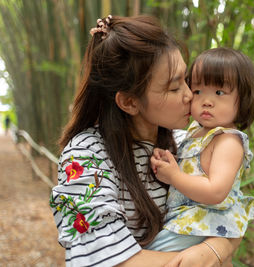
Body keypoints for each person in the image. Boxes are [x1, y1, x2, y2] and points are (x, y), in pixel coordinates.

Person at [49, 15, 239, 267]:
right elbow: (107, 260)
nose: (189, 95)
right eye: (173, 88)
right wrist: (209, 253)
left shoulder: (189, 140)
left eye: (186, 80)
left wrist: (217, 246)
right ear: (129, 102)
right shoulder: (86, 157)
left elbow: (232, 209)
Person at [146, 48, 254, 252]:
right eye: (198, 91)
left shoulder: (228, 141)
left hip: (204, 223)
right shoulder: (196, 130)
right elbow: (190, 167)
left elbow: (216, 191)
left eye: (219, 92)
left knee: (152, 254)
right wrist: (167, 161)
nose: (206, 101)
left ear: (243, 98)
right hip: (185, 221)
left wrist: (174, 176)